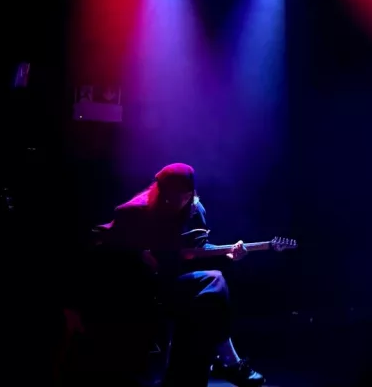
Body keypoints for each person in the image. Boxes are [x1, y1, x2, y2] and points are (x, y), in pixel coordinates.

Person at [96, 163, 258, 387]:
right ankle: (228, 362)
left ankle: (220, 364)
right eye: (175, 197)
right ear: (163, 192)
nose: (181, 202)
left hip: (172, 284)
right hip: (139, 290)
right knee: (209, 291)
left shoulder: (194, 209)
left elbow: (196, 250)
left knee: (213, 286)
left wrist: (229, 255)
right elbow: (103, 242)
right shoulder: (135, 211)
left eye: (186, 196)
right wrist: (138, 254)